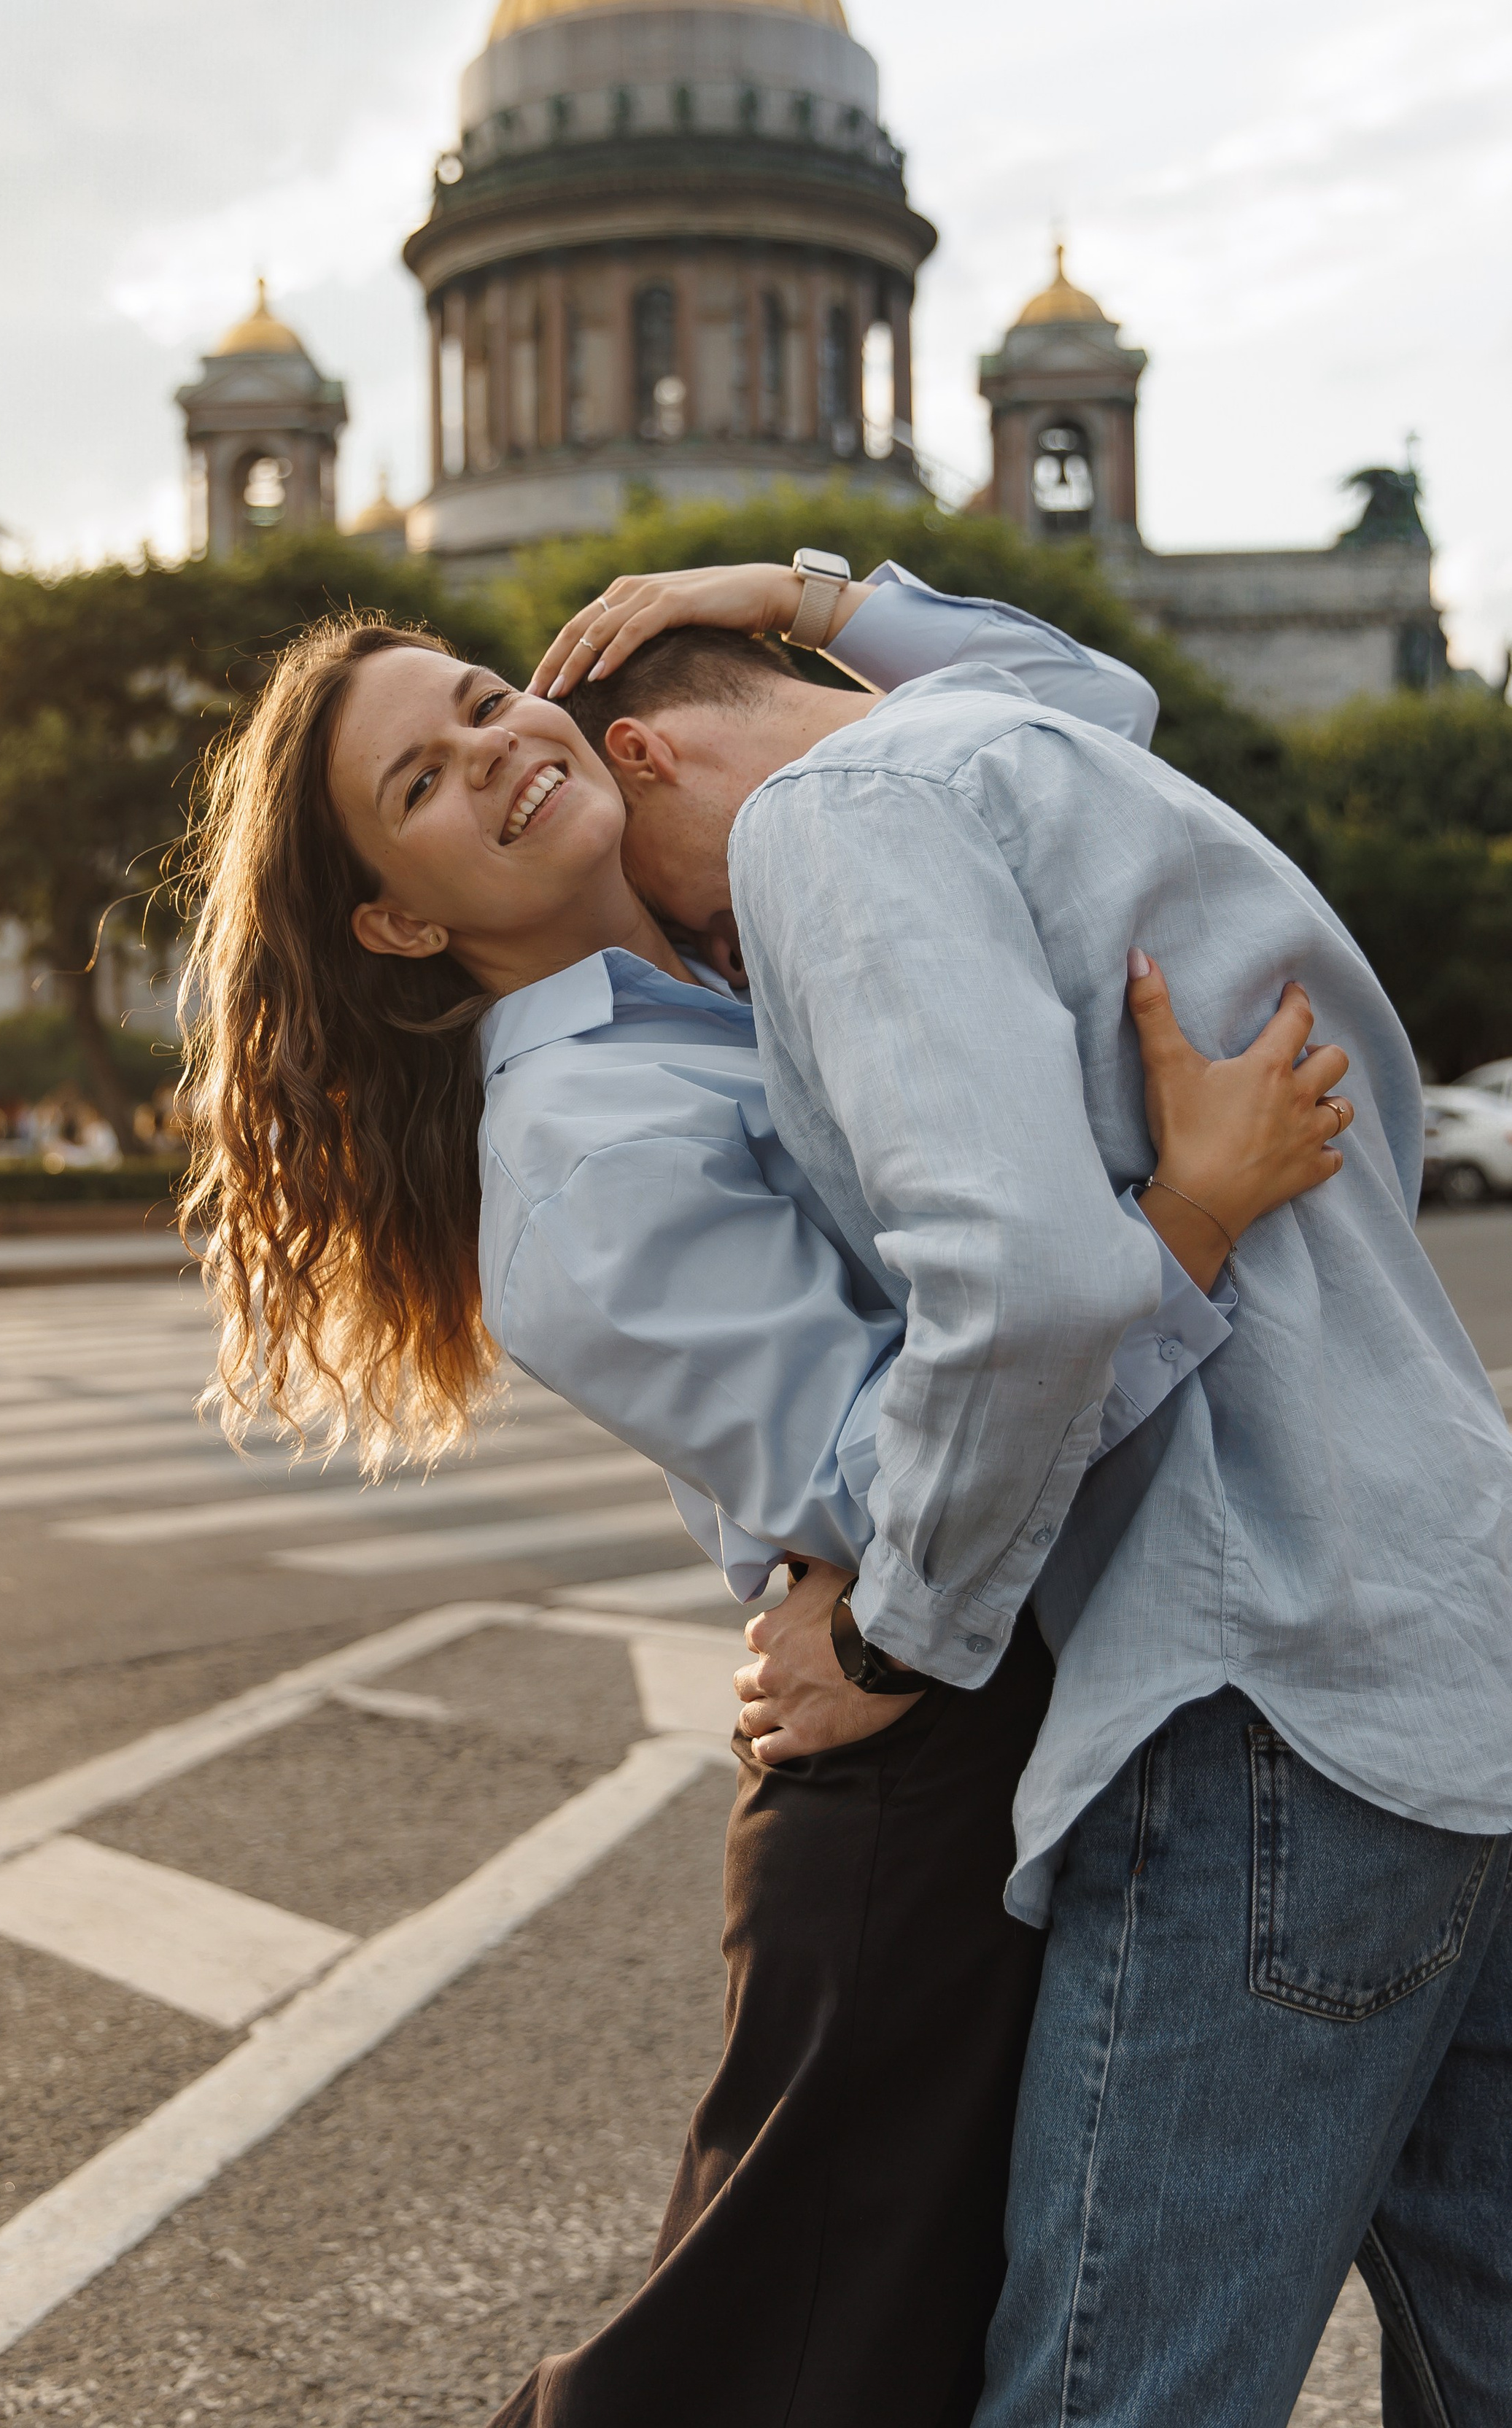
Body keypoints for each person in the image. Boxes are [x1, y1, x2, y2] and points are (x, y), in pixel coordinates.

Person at [179, 559, 1349, 2426]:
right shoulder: (576, 1167)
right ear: (394, 925)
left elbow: (1071, 715)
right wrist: (1187, 1217)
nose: (490, 753)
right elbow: (906, 1469)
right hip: (912, 1768)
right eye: (420, 783)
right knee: (785, 2374)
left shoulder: (746, 921)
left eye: (485, 697)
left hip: (1029, 1687)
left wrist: (802, 595)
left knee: (930, 2337)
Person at [527, 554, 1512, 2428]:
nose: (717, 969)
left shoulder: (829, 822)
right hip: (1452, 1633)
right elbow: (1088, 680)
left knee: (1110, 2394)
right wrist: (814, 588)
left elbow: (1031, 1282)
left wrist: (894, 1627)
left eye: (690, 936)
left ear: (642, 756)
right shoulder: (1037, 754)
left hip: (1257, 1684)